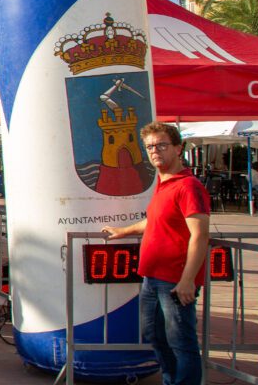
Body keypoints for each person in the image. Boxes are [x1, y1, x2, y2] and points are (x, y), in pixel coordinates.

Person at [103, 122, 210, 385]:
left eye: (162, 145)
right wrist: (124, 231)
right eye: (150, 146)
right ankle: (171, 380)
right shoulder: (164, 184)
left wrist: (187, 280)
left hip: (174, 279)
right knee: (154, 335)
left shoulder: (188, 186)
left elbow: (200, 234)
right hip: (152, 276)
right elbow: (155, 220)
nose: (155, 151)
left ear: (177, 148)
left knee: (180, 341)